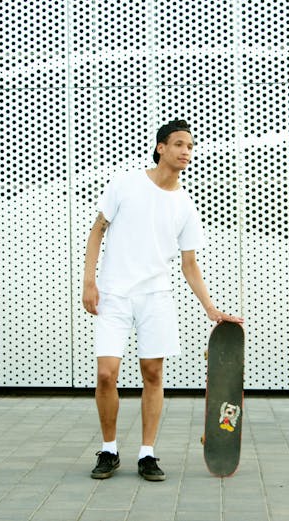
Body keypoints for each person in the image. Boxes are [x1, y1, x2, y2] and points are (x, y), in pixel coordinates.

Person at [82, 119, 243, 481]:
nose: (186, 151)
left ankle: (147, 454)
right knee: (107, 374)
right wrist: (89, 282)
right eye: (179, 144)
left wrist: (211, 309)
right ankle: (108, 450)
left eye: (190, 146)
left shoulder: (184, 206)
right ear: (161, 148)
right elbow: (97, 230)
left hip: (156, 297)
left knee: (153, 373)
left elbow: (190, 265)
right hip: (114, 294)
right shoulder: (126, 183)